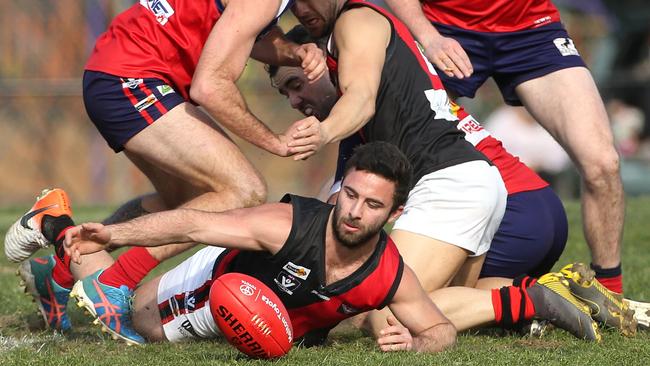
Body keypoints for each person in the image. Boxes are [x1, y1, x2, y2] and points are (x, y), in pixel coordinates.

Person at [267, 25, 635, 336]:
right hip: (529, 202)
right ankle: (548, 297)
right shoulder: (384, 85)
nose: (295, 100)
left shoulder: (362, 101)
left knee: (387, 311)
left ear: (324, 61)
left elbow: (337, 219)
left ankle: (535, 300)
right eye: (285, 93)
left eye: (297, 84)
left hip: (507, 205)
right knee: (449, 298)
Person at [4, 0, 326, 343]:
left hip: (124, 69)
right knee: (244, 190)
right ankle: (113, 283)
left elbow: (248, 30)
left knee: (189, 202)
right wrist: (275, 142)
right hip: (133, 75)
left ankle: (59, 259)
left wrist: (294, 51)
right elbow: (210, 86)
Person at [60, 142, 457, 352]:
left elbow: (442, 330)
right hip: (215, 284)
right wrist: (115, 235)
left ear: (394, 213)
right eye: (350, 195)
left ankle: (52, 274)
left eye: (373, 205)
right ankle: (56, 227)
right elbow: (195, 224)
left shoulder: (387, 273)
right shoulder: (287, 227)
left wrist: (416, 342)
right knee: (141, 324)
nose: (354, 212)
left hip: (261, 326)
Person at [384, 0, 625, 294]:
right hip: (443, 27)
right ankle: (352, 260)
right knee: (396, 136)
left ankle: (610, 293)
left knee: (603, 163)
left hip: (530, 27)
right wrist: (427, 35)